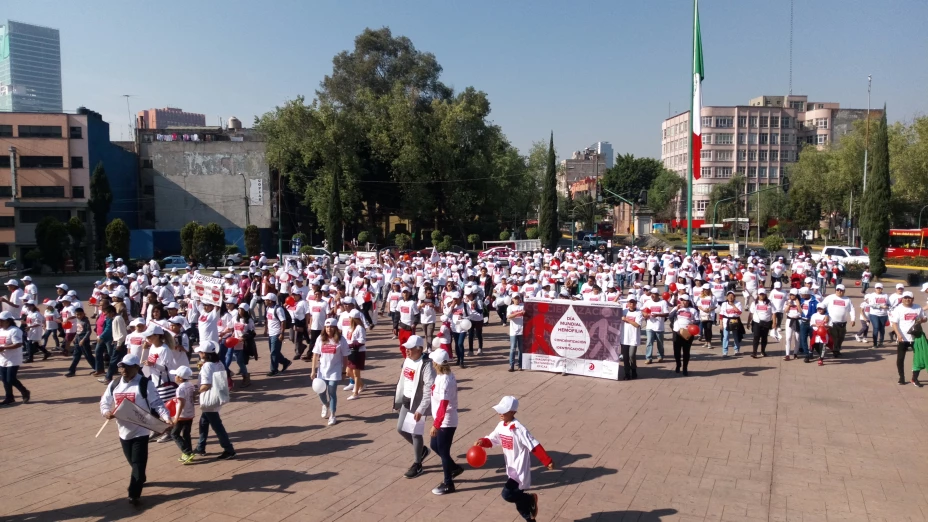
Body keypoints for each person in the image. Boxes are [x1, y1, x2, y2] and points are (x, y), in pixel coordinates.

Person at [99, 354, 172, 505]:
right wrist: (106, 412)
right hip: (123, 431)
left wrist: (166, 417)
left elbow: (157, 403)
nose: (123, 369)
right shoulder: (115, 384)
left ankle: (134, 494)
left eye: (127, 366)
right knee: (133, 462)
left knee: (138, 462)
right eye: (121, 366)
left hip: (142, 430)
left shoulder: (145, 384)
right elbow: (105, 402)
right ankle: (140, 477)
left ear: (136, 368)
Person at [473, 396, 554, 522]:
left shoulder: (518, 429)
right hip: (511, 470)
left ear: (513, 412)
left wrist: (546, 460)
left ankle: (530, 499)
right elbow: (493, 439)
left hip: (519, 470)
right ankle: (529, 517)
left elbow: (533, 444)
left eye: (504, 411)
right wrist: (483, 442)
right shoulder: (501, 426)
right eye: (499, 410)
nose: (500, 413)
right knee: (518, 501)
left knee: (508, 494)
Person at [394, 335, 435, 478]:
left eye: (410, 349)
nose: (407, 351)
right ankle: (422, 450)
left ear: (419, 349)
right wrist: (398, 401)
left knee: (415, 433)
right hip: (406, 400)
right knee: (400, 429)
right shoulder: (407, 360)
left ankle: (418, 464)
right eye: (406, 348)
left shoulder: (426, 364)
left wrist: (421, 409)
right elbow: (402, 381)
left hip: (417, 403)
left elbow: (429, 388)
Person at [192, 341, 236, 459]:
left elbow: (206, 384)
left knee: (217, 425)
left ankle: (228, 449)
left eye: (201, 352)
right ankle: (201, 447)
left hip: (209, 399)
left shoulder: (207, 366)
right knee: (203, 422)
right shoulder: (219, 362)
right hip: (217, 397)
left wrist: (195, 392)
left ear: (205, 354)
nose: (199, 354)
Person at [428, 349, 464, 495]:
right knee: (433, 445)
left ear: (436, 363)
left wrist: (436, 424)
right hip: (442, 418)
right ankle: (454, 468)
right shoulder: (442, 375)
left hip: (446, 421)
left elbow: (443, 405)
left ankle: (448, 483)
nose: (431, 362)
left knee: (443, 451)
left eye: (433, 361)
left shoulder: (445, 381)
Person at [311, 318, 350, 425]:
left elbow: (345, 356)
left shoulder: (341, 340)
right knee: (320, 392)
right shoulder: (320, 338)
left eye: (331, 327)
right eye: (327, 327)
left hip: (335, 370)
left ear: (335, 328)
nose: (329, 329)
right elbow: (315, 355)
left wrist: (343, 371)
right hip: (322, 371)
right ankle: (326, 404)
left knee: (332, 392)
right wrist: (313, 370)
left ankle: (333, 415)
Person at [890, 291, 926, 386]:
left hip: (916, 338)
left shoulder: (918, 308)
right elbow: (894, 323)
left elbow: (925, 318)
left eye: (909, 298)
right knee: (900, 359)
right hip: (903, 338)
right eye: (905, 298)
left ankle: (914, 378)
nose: (907, 299)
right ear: (902, 299)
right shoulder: (898, 309)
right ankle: (901, 378)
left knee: (918, 358)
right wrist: (898, 335)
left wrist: (922, 320)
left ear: (913, 299)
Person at [0, 311, 29, 405]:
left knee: (11, 379)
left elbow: (18, 344)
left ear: (8, 321)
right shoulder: (1, 330)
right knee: (4, 379)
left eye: (2, 321)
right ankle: (9, 397)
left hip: (13, 359)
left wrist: (4, 347)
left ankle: (25, 392)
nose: (0, 323)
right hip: (3, 358)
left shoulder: (15, 330)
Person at [170, 365, 197, 464]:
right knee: (186, 434)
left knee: (174, 434)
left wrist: (176, 417)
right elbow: (192, 397)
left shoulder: (180, 388)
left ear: (180, 377)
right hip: (190, 413)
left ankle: (187, 451)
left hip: (182, 415)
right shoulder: (190, 385)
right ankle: (188, 453)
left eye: (176, 375)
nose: (175, 377)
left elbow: (181, 402)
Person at [264, 293, 292, 377]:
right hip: (270, 333)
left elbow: (283, 321)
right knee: (274, 352)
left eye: (266, 300)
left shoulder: (278, 309)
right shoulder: (268, 308)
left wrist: (282, 334)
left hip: (276, 333)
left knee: (273, 352)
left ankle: (274, 370)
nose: (265, 301)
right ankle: (285, 362)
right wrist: (266, 330)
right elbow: (267, 320)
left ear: (270, 300)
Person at [670, 295, 697, 375]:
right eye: (682, 300)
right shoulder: (676, 308)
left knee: (686, 351)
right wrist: (676, 310)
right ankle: (678, 364)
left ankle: (685, 368)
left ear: (688, 301)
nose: (683, 302)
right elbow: (670, 317)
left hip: (687, 332)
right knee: (676, 351)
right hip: (677, 332)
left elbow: (697, 321)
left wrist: (692, 324)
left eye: (685, 300)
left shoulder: (693, 310)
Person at [66, 307, 95, 377]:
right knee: (76, 356)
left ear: (83, 314)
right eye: (77, 314)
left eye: (80, 314)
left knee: (88, 355)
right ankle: (71, 370)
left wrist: (83, 340)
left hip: (84, 340)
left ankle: (97, 368)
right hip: (78, 339)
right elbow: (78, 330)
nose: (78, 316)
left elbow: (88, 331)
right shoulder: (77, 320)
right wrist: (75, 337)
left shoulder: (85, 321)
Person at [620, 297, 643, 380]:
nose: (632, 304)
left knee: (631, 355)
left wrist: (626, 319)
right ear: (628, 303)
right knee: (625, 357)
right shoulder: (624, 311)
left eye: (633, 303)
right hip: (624, 337)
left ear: (636, 304)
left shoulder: (638, 313)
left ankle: (633, 370)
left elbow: (637, 324)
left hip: (633, 338)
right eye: (630, 302)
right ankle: (627, 373)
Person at [747, 289, 774, 358]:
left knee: (764, 338)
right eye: (760, 294)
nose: (761, 296)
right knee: (756, 337)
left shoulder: (769, 303)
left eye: (763, 294)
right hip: (756, 322)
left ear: (765, 295)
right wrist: (748, 322)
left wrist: (774, 323)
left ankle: (763, 351)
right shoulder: (754, 303)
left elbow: (773, 313)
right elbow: (751, 313)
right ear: (758, 295)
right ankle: (754, 352)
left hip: (766, 323)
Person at [718, 291, 743, 357]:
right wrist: (721, 324)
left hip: (735, 321)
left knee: (736, 336)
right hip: (726, 321)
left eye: (732, 296)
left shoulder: (738, 303)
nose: (730, 297)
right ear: (727, 297)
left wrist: (733, 305)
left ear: (734, 297)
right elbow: (721, 315)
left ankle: (736, 350)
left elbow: (739, 312)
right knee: (725, 337)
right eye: (729, 296)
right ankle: (725, 352)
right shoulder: (724, 304)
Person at [507, 294, 525, 372]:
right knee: (513, 348)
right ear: (512, 299)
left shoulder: (523, 305)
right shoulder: (510, 307)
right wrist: (518, 313)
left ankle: (520, 365)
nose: (517, 300)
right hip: (513, 331)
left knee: (521, 349)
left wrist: (524, 312)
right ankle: (511, 365)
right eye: (515, 298)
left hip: (521, 330)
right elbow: (509, 317)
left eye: (518, 298)